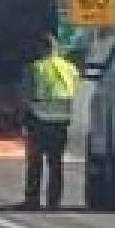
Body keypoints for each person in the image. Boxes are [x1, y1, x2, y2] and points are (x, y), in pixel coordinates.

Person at [19, 33, 79, 211]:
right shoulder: (70, 68)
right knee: (56, 163)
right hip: (62, 121)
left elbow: (27, 96)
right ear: (56, 48)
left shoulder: (36, 68)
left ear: (41, 49)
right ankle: (54, 202)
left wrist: (22, 119)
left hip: (40, 119)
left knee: (35, 162)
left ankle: (32, 200)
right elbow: (76, 92)